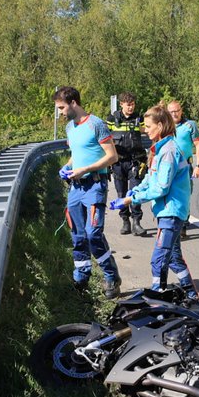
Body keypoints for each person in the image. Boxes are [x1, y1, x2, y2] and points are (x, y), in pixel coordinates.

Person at [112, 105, 198, 303]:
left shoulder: (168, 152)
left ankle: (157, 300)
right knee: (174, 258)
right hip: (167, 211)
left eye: (149, 126)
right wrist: (133, 191)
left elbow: (161, 188)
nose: (145, 130)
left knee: (158, 260)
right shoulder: (159, 149)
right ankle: (192, 296)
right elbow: (150, 179)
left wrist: (131, 200)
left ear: (160, 126)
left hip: (171, 212)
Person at [56, 86, 123, 299]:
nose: (60, 112)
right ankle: (81, 278)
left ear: (73, 103)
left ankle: (111, 277)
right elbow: (77, 155)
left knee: (93, 234)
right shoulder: (70, 128)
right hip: (75, 189)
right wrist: (68, 167)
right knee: (78, 235)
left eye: (61, 108)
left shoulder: (96, 124)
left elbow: (112, 157)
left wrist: (86, 169)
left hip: (94, 185)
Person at [106, 91, 148, 237]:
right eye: (128, 105)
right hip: (118, 162)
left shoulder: (139, 118)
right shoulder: (112, 118)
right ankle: (125, 221)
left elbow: (147, 130)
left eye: (133, 105)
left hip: (135, 161)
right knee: (121, 193)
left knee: (135, 192)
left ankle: (137, 222)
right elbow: (105, 138)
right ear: (121, 104)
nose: (131, 108)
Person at [166, 100, 199, 238]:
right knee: (167, 195)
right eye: (171, 112)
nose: (174, 114)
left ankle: (183, 226)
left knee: (184, 196)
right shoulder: (164, 125)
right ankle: (170, 224)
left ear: (181, 110)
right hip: (168, 167)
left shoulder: (190, 125)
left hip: (185, 167)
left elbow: (198, 145)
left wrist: (198, 166)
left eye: (177, 110)